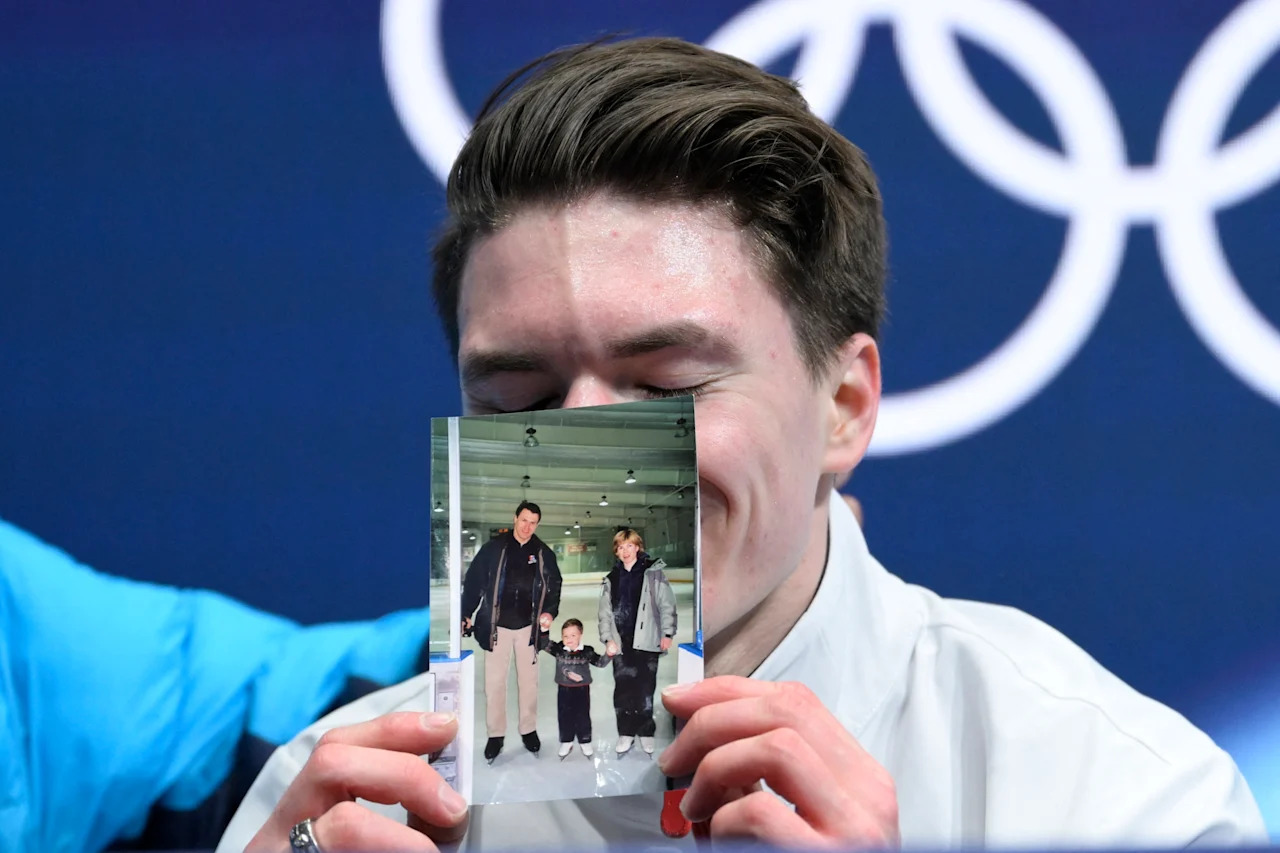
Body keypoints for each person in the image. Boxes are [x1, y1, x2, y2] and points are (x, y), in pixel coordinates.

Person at [220, 36, 1266, 852]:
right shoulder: (337, 798)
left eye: (665, 383)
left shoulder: (1110, 790)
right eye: (520, 392)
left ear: (845, 405)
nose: (587, 437)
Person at [460, 500, 562, 762]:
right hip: (496, 627)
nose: (527, 527)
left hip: (529, 628)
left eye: (533, 522)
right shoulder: (493, 549)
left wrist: (549, 611)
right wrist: (466, 613)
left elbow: (554, 584)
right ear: (515, 518)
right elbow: (474, 582)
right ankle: (496, 735)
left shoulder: (542, 552)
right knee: (494, 685)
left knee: (529, 684)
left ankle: (528, 730)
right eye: (524, 520)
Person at [597, 529, 677, 755]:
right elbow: (605, 613)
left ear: (637, 547)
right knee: (623, 690)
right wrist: (608, 639)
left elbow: (666, 605)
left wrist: (667, 633)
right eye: (620, 547)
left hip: (648, 641)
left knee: (644, 689)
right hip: (621, 643)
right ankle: (626, 733)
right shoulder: (611, 578)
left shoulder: (653, 574)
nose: (625, 551)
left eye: (629, 546)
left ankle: (645, 732)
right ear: (616, 551)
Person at [537, 617, 614, 758]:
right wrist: (544, 629)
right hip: (564, 688)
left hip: (582, 689)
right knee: (564, 715)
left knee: (582, 715)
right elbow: (543, 644)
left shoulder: (587, 651)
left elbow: (600, 663)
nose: (569, 639)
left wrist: (609, 654)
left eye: (573, 635)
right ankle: (566, 740)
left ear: (581, 635)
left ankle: (585, 740)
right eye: (565, 636)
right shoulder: (559, 649)